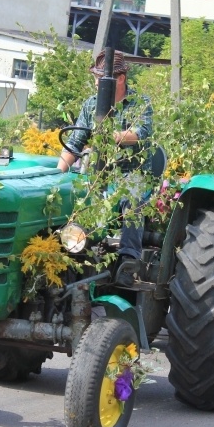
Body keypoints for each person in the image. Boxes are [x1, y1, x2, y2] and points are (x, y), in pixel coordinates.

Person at [57, 50, 154, 287]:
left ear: (119, 79)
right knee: (72, 194)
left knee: (131, 197)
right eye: (95, 76)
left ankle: (128, 261)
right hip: (98, 172)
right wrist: (57, 174)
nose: (96, 81)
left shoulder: (140, 104)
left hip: (132, 172)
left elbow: (141, 133)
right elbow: (75, 141)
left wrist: (111, 136)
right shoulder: (91, 105)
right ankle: (71, 252)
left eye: (100, 77)